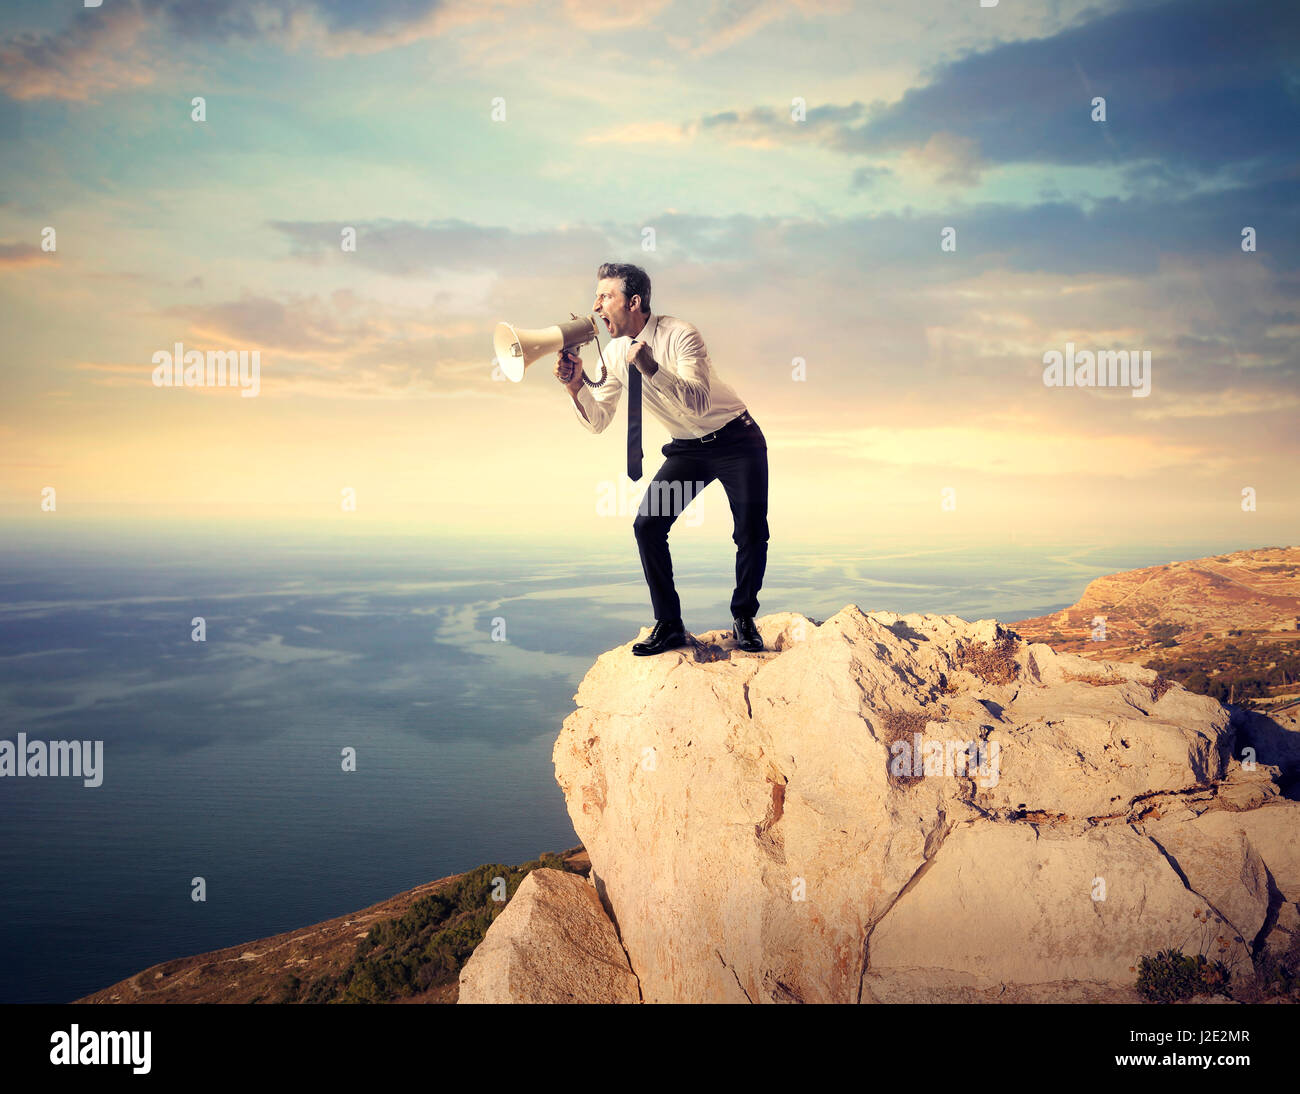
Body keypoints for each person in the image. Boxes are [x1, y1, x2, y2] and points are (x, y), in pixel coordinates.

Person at [554, 262, 770, 655]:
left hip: (737, 440)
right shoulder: (616, 352)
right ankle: (669, 623)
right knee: (648, 526)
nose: (596, 306)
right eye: (596, 297)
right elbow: (599, 420)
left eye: (605, 296)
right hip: (689, 448)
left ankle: (743, 617)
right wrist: (574, 388)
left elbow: (701, 403)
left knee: (751, 532)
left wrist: (651, 367)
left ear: (633, 302)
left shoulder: (681, 334)